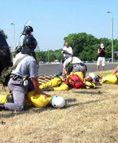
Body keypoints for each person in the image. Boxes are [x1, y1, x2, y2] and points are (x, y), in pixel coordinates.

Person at [0, 35, 41, 111]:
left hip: (12, 80)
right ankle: (2, 106)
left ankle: (14, 97)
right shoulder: (31, 60)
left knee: (30, 87)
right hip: (17, 84)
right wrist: (39, 92)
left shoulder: (18, 55)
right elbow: (34, 79)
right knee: (19, 106)